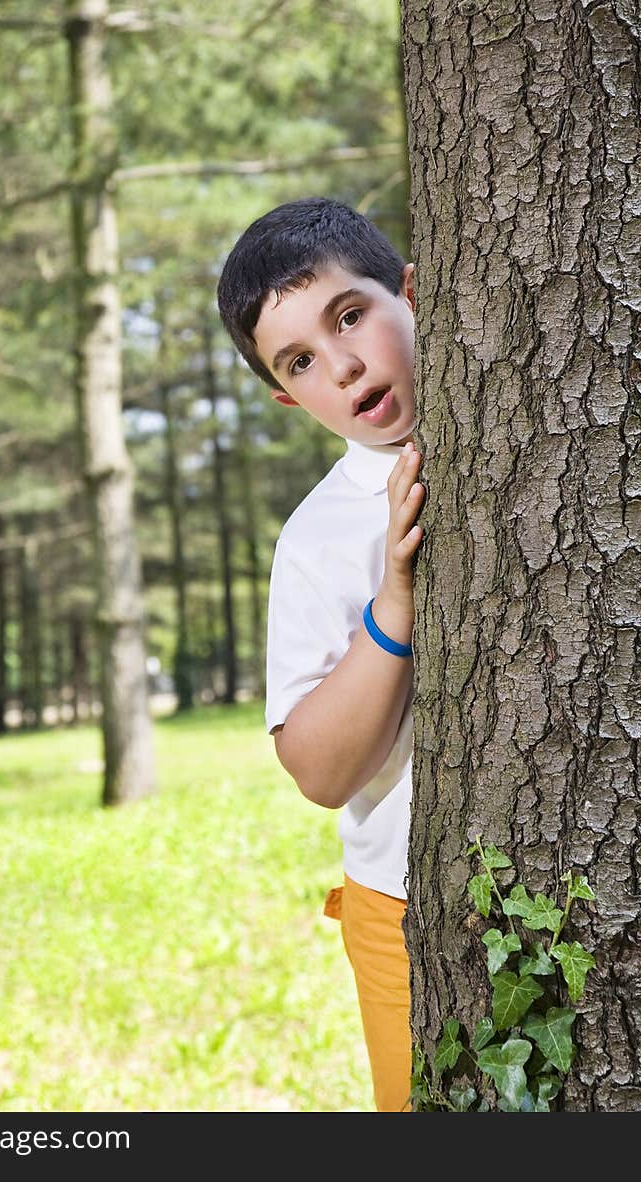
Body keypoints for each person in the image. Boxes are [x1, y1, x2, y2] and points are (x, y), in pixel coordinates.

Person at [216, 196, 424, 1112]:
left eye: (351, 316)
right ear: (284, 395)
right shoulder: (316, 538)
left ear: (411, 293)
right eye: (300, 360)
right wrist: (393, 605)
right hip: (403, 904)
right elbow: (316, 767)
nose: (341, 365)